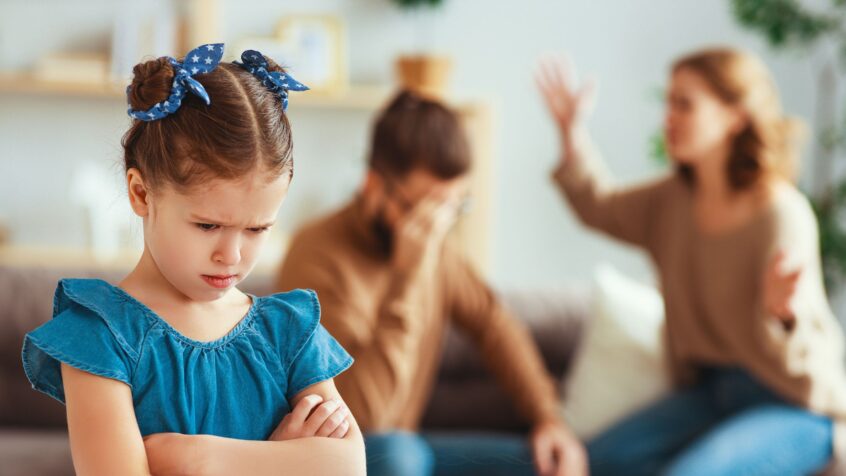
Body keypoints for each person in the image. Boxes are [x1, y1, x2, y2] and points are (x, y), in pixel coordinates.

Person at [21, 43, 365, 475]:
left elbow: (348, 466)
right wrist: (281, 461)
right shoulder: (100, 334)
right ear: (141, 193)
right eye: (207, 226)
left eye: (257, 229)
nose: (232, 255)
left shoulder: (290, 332)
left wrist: (196, 460)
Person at [536, 47, 846, 475]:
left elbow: (807, 351)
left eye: (685, 103)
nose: (668, 117)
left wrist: (782, 315)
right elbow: (598, 206)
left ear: (735, 116)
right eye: (668, 102)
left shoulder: (779, 212)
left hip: (791, 402)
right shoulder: (672, 201)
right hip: (710, 393)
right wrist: (572, 133)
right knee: (593, 461)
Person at [277, 91, 587, 476]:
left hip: (413, 447)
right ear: (373, 185)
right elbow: (367, 414)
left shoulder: (437, 250)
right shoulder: (318, 254)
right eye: (425, 208)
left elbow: (494, 324)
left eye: (452, 207)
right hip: (352, 450)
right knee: (397, 453)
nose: (437, 226)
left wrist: (549, 419)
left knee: (546, 463)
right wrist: (407, 277)